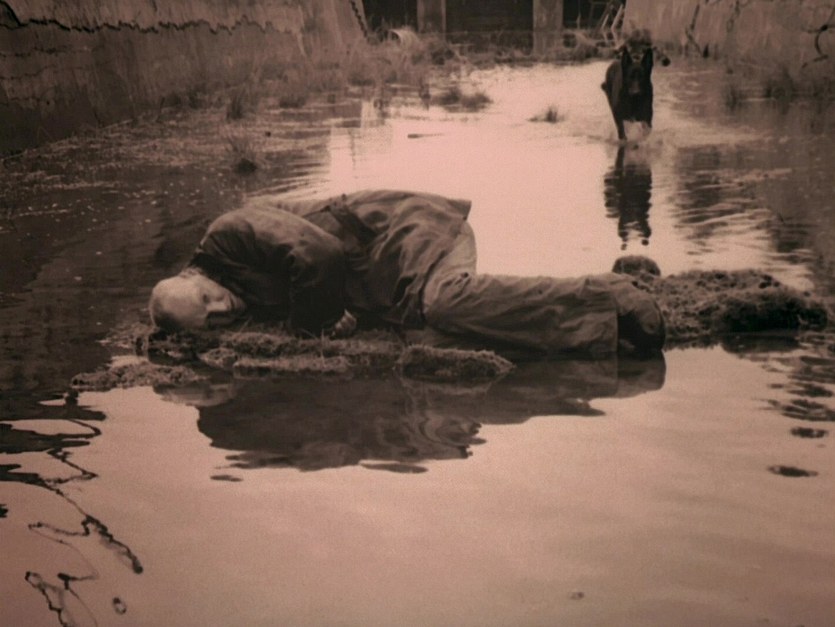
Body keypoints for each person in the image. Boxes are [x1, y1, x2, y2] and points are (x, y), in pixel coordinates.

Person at [149, 189, 665, 357]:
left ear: (193, 276)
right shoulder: (229, 286)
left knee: (445, 302)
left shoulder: (228, 233)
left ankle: (611, 293)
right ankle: (601, 334)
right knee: (434, 338)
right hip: (389, 279)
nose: (222, 311)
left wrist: (315, 325)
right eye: (210, 323)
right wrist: (330, 315)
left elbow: (319, 256)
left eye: (208, 301)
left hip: (408, 237)